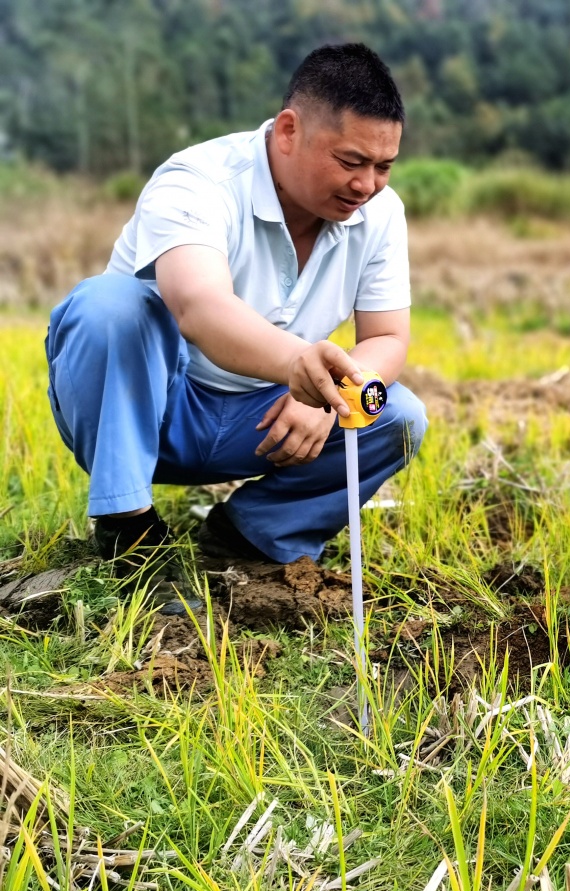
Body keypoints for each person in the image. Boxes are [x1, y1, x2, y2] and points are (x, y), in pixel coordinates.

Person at [45, 43, 426, 612]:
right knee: (110, 305)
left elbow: (388, 337)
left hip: (265, 422)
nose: (366, 185)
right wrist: (299, 365)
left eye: (383, 166)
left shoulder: (380, 213)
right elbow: (199, 306)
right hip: (153, 409)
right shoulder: (196, 180)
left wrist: (327, 398)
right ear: (289, 130)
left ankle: (249, 535)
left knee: (396, 416)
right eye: (350, 162)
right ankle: (129, 534)